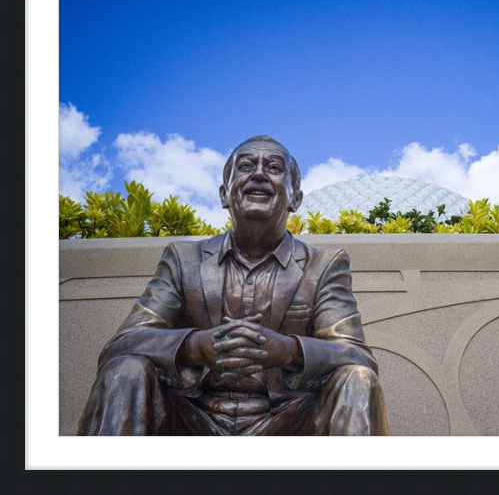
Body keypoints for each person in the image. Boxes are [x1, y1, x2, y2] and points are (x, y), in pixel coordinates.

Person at [78, 135, 389, 435]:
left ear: (295, 198)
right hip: (190, 419)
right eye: (245, 166)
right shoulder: (183, 259)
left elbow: (356, 355)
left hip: (288, 422)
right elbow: (123, 344)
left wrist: (288, 350)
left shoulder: (323, 265)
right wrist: (194, 346)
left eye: (274, 168)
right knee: (126, 368)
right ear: (224, 193)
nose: (258, 174)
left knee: (358, 378)